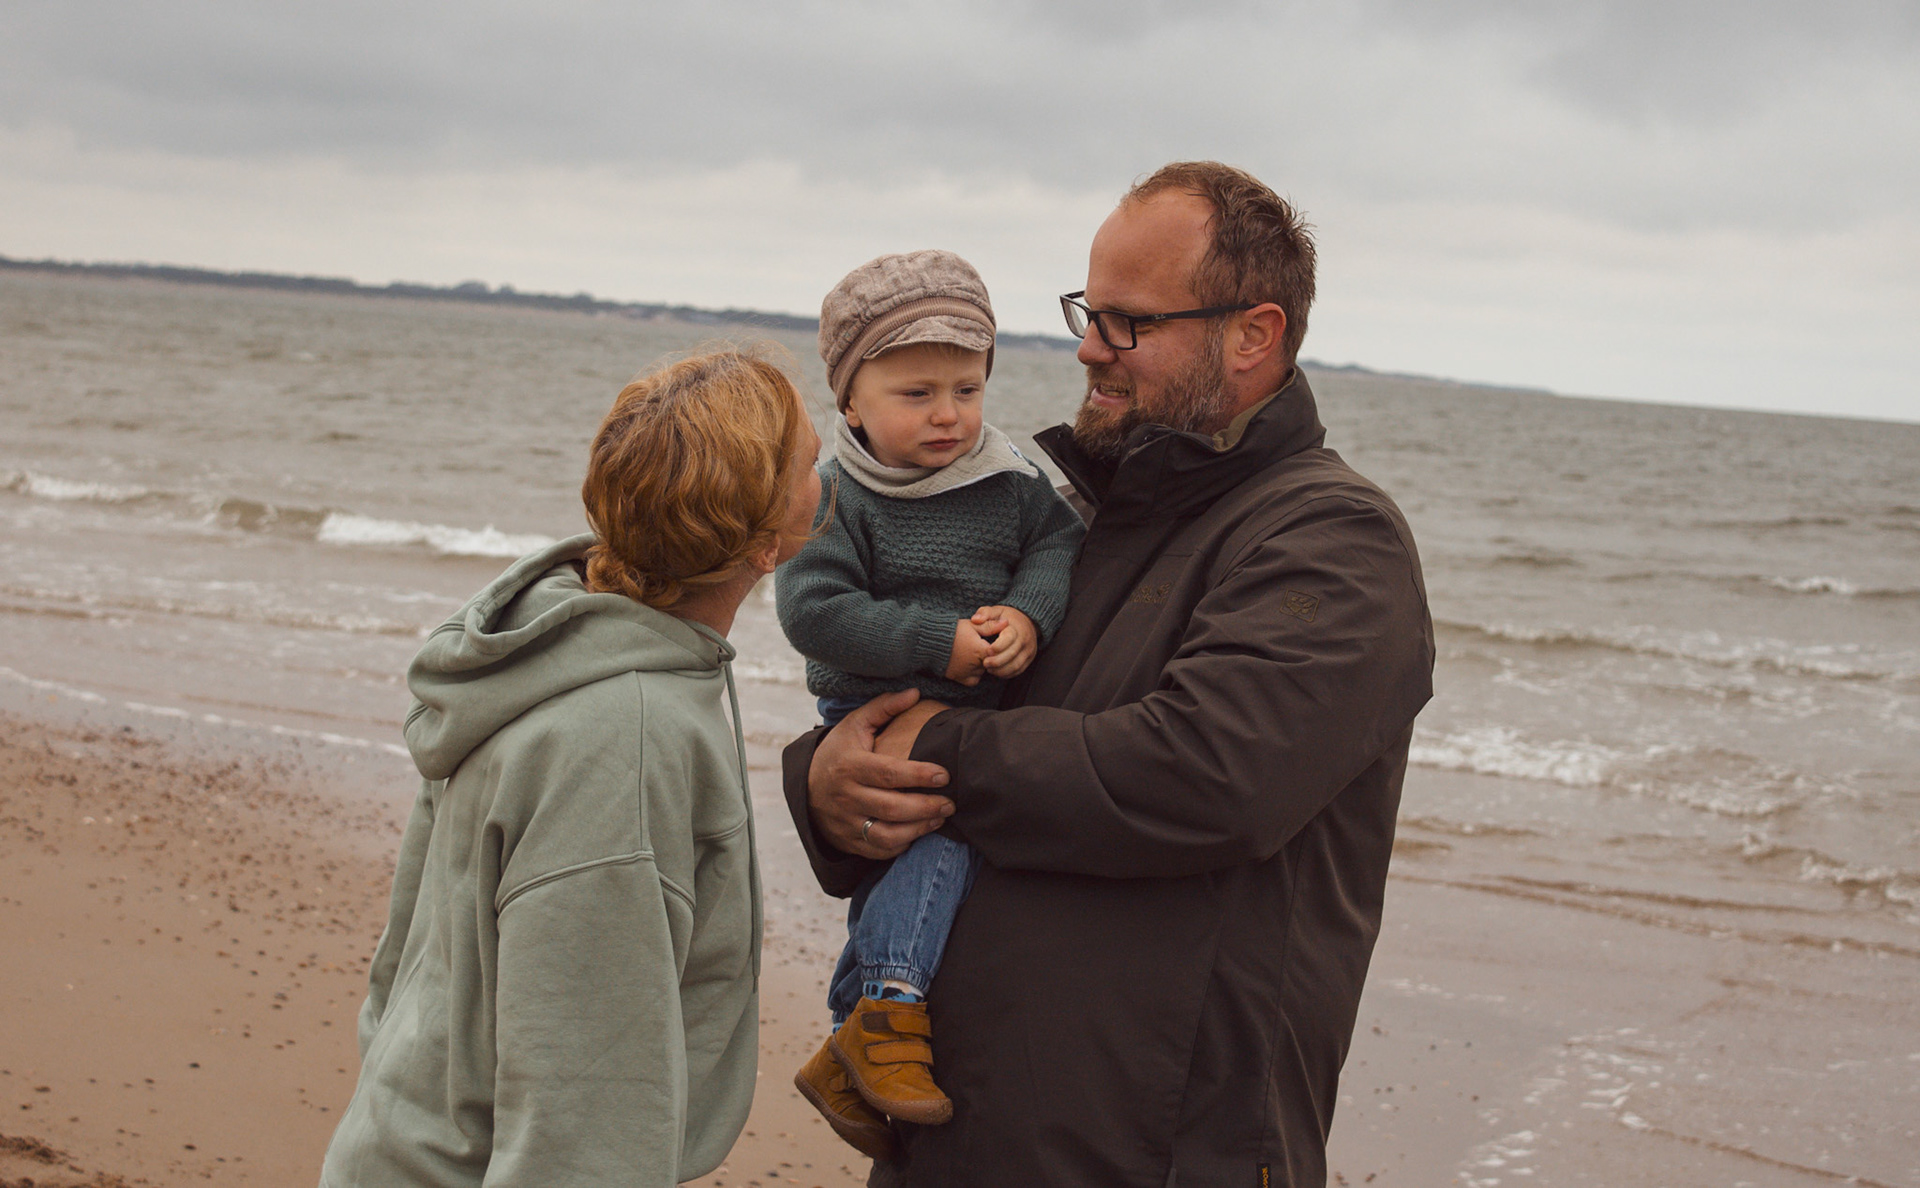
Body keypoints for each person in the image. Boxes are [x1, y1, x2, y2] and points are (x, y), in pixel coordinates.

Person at [782, 161, 1435, 1186]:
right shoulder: (1081, 516)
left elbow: (1204, 775)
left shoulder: (1334, 540)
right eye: (1089, 312)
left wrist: (938, 749)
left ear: (1253, 334)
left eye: (1128, 322)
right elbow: (946, 698)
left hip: (1155, 1153)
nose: (1088, 347)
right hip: (955, 1135)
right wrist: (825, 782)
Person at [319, 349, 822, 1188]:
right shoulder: (625, 736)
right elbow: (584, 1112)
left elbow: (400, 963)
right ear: (766, 543)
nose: (825, 479)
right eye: (810, 464)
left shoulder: (545, 654)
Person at [775, 250, 1084, 1157]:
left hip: (973, 707)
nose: (948, 415)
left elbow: (1057, 548)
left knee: (914, 863)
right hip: (876, 706)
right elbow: (812, 611)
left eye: (966, 389)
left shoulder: (1008, 477)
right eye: (916, 395)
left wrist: (1027, 614)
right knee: (931, 841)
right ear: (852, 403)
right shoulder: (839, 494)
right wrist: (933, 639)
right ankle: (889, 1006)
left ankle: (852, 1034)